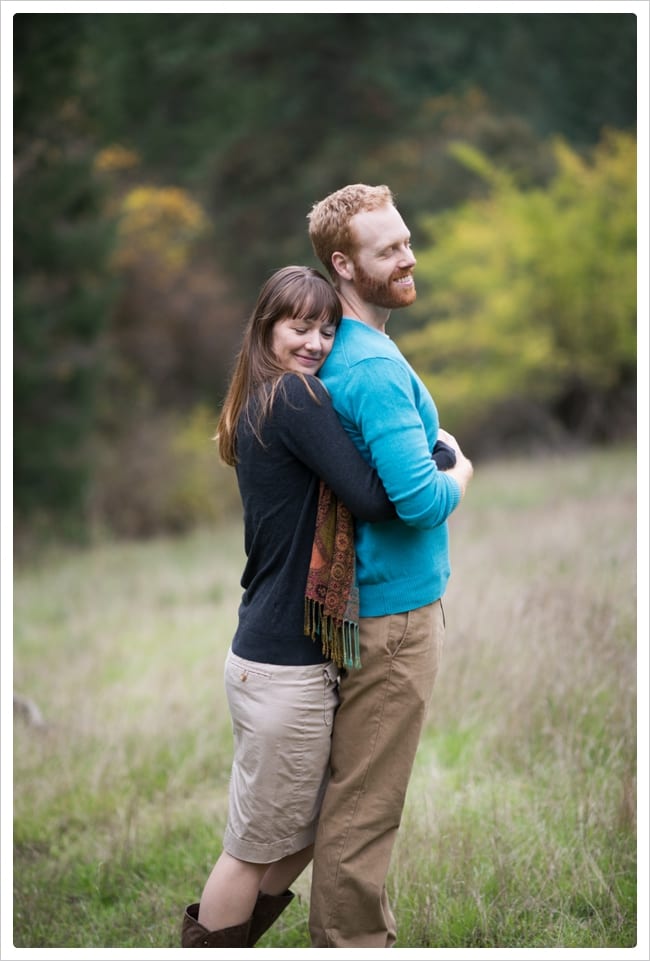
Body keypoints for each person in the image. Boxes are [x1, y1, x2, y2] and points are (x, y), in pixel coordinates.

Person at [180, 265, 399, 948]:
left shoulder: (261, 400)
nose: (314, 341)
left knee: (302, 835)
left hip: (271, 660)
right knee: (250, 849)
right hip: (283, 669)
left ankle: (232, 937)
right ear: (266, 328)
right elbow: (371, 495)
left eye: (328, 328)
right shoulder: (295, 399)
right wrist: (441, 461)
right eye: (299, 326)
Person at [306, 184, 474, 948]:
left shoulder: (352, 348)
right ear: (343, 265)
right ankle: (352, 945)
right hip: (392, 618)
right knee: (366, 807)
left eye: (406, 240)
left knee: (354, 798)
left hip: (378, 607)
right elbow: (416, 499)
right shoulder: (370, 365)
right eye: (388, 250)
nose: (408, 257)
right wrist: (460, 471)